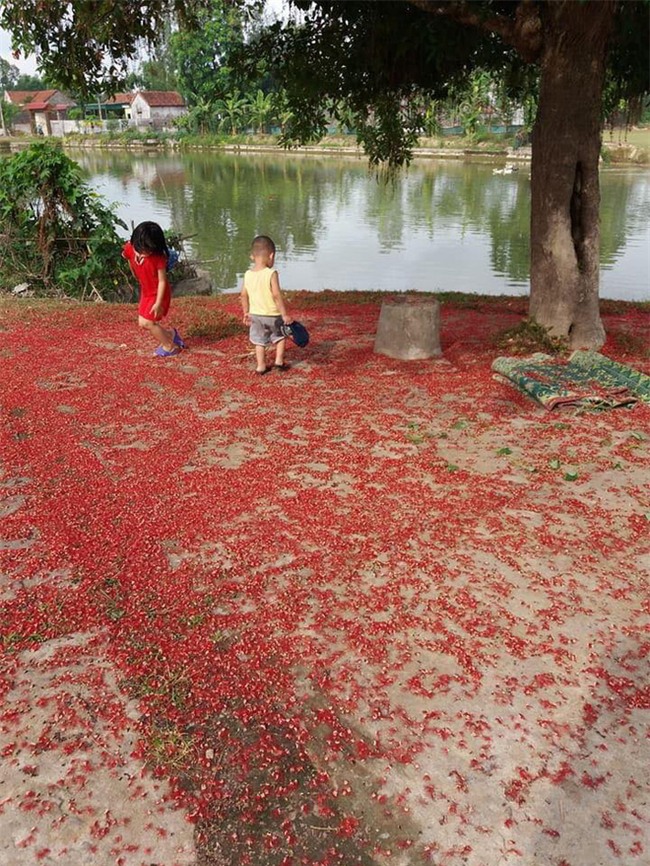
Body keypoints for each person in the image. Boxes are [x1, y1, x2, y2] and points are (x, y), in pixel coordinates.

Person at [122, 221, 185, 357]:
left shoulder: (158, 258)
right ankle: (171, 335)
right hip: (146, 291)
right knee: (143, 322)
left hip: (158, 293)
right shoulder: (130, 248)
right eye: (142, 249)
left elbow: (162, 280)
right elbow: (128, 257)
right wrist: (134, 271)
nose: (145, 253)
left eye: (149, 250)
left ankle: (170, 347)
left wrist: (158, 302)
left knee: (147, 322)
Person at [240, 235, 292, 375]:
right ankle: (279, 361)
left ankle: (261, 366)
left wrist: (246, 312)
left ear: (252, 256)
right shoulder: (271, 273)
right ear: (271, 255)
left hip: (255, 315)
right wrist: (284, 314)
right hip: (273, 314)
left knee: (259, 341)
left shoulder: (248, 274)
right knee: (280, 336)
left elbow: (243, 295)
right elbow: (276, 295)